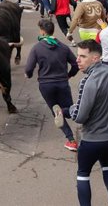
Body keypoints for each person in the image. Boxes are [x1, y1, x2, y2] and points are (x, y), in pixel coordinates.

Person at [53, 40, 108, 206]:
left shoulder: (88, 81)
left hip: (93, 141)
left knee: (83, 174)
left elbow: (80, 116)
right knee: (107, 164)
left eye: (83, 56)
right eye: (78, 56)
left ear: (95, 58)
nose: (77, 60)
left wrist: (67, 111)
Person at [24, 19, 79, 151]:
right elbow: (75, 64)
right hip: (62, 83)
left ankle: (71, 139)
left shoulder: (37, 48)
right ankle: (71, 134)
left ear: (42, 31)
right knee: (69, 111)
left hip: (46, 85)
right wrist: (69, 75)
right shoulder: (64, 47)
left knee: (56, 112)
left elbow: (28, 68)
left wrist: (29, 75)